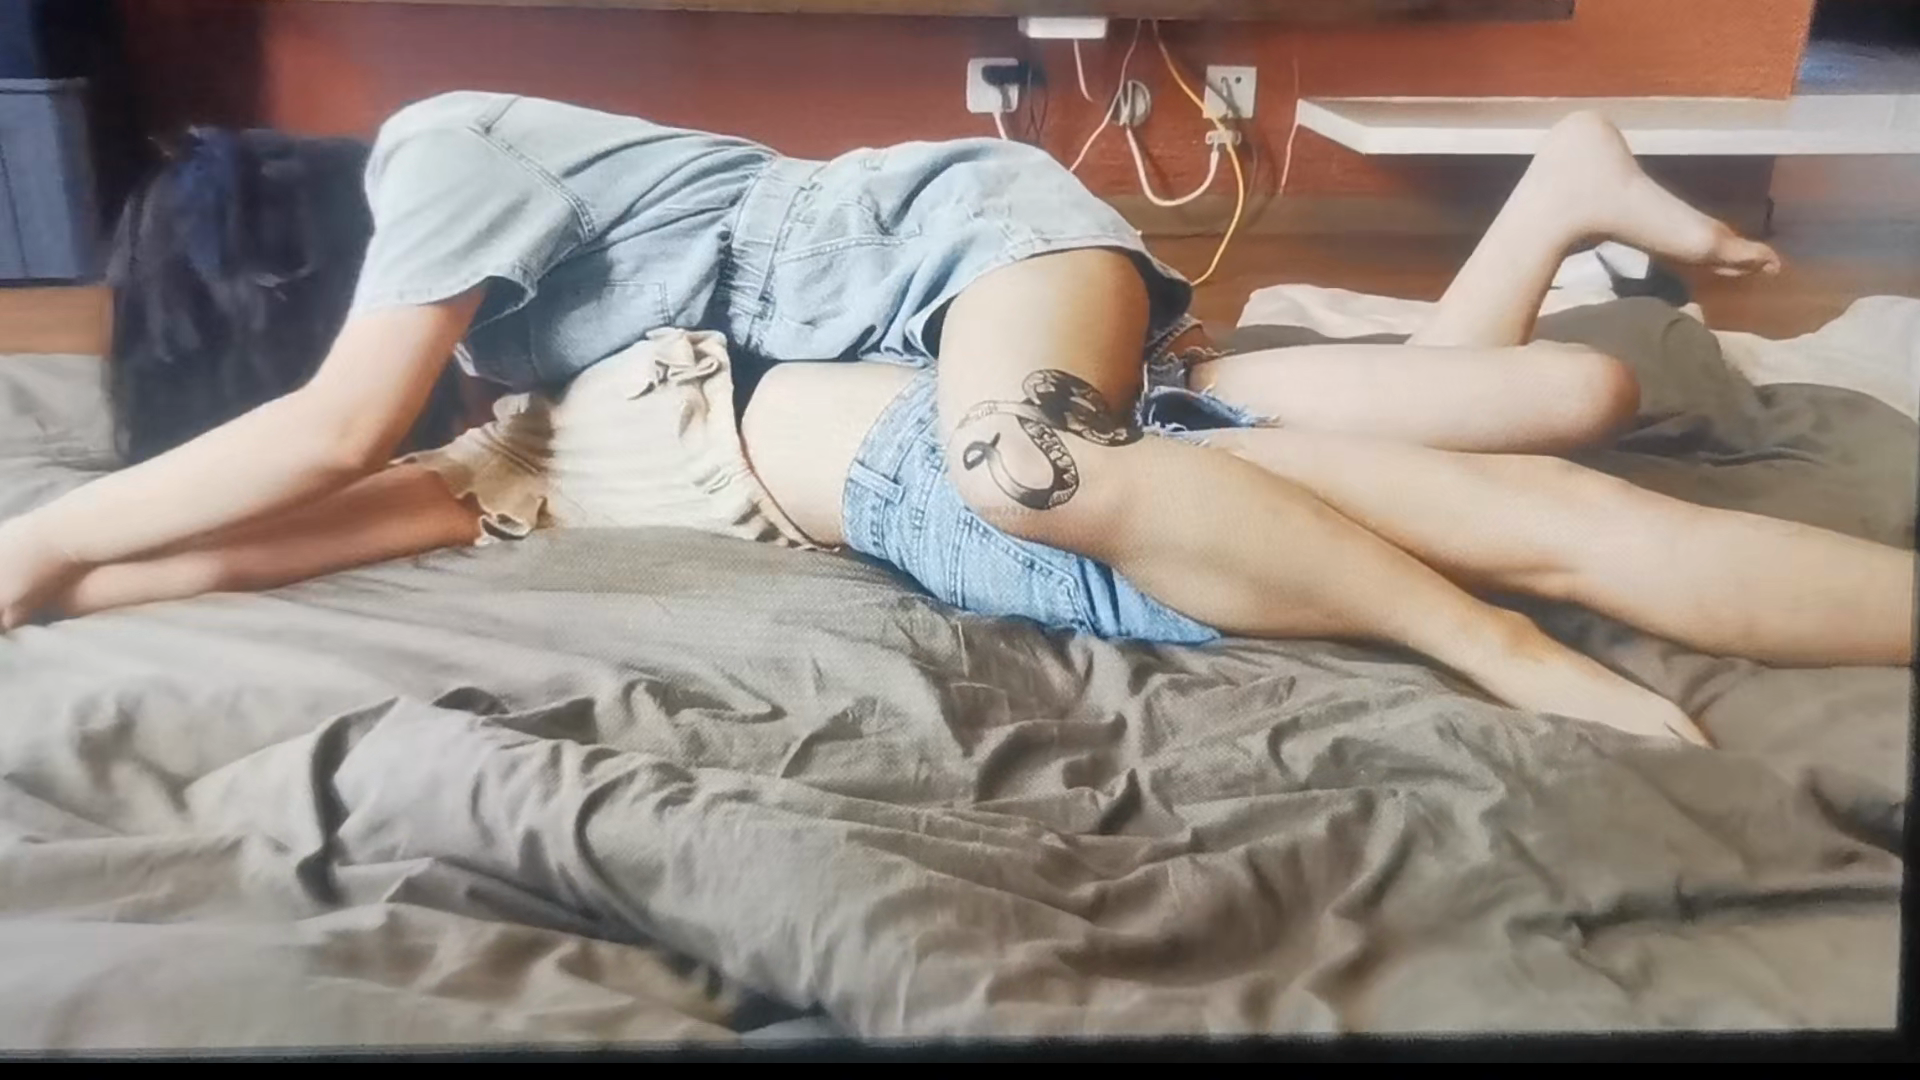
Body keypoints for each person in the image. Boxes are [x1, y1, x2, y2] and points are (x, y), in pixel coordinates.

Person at [0, 93, 1909, 749]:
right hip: (1093, 412)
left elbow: (325, 435)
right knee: (1566, 405)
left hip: (967, 290)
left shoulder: (437, 169)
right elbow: (303, 514)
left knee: (1032, 463)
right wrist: (74, 585)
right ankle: (1561, 198)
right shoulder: (504, 437)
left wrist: (41, 538)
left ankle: (1500, 652)